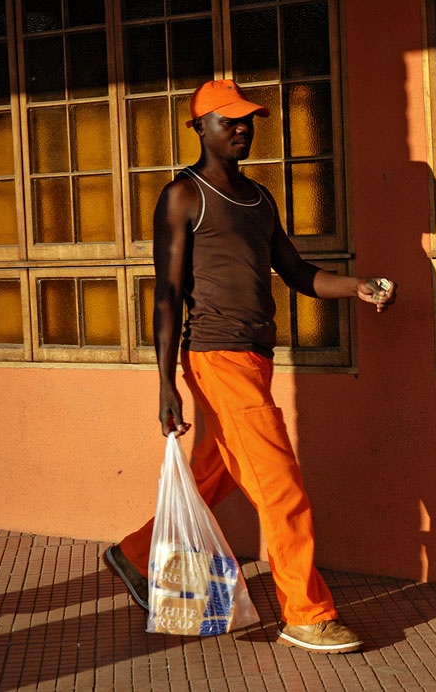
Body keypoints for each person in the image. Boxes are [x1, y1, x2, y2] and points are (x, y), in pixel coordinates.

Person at [103, 79, 394, 654]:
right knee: (282, 487)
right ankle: (306, 614)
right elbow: (167, 293)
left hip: (255, 357)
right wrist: (165, 384)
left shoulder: (260, 199)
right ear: (199, 128)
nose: (241, 128)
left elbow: (299, 273)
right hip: (215, 355)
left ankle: (136, 555)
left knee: (217, 470)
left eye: (247, 120)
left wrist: (357, 286)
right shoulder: (183, 196)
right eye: (227, 120)